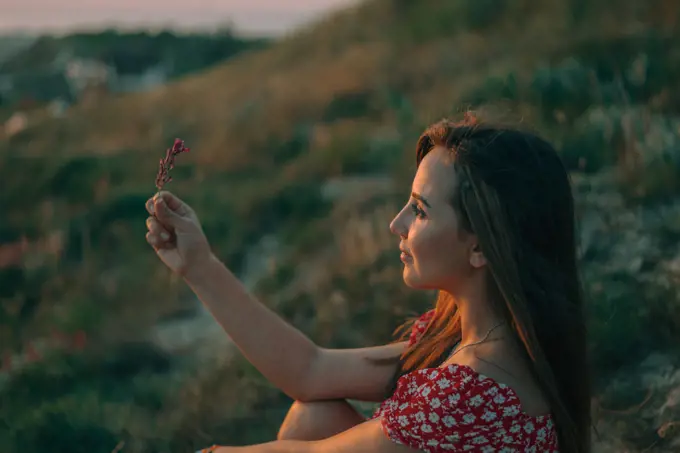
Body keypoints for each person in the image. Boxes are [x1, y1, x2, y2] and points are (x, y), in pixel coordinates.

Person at [144, 115, 592, 453]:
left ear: (481, 247)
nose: (395, 223)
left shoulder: (471, 391)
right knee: (313, 415)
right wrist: (199, 266)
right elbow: (310, 370)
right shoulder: (480, 341)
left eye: (420, 211)